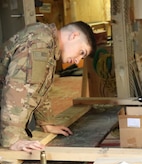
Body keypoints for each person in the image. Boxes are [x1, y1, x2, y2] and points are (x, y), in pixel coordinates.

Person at [0, 21, 96, 152]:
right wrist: (13, 138)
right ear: (74, 36)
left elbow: (38, 88)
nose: (77, 60)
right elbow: (18, 89)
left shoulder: (48, 43)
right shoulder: (40, 42)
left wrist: (46, 122)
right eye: (81, 52)